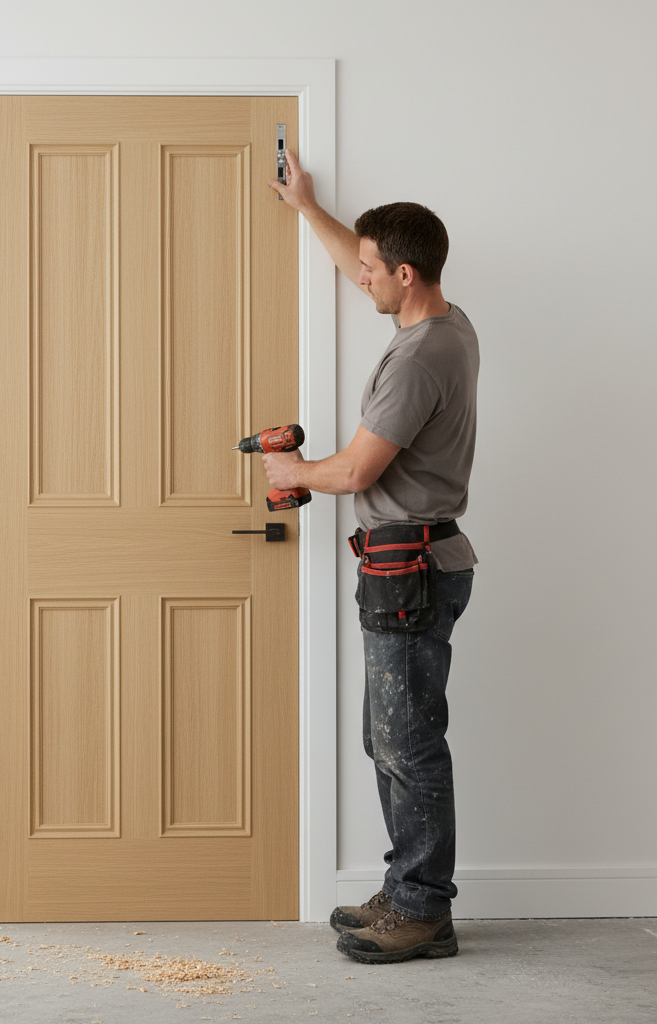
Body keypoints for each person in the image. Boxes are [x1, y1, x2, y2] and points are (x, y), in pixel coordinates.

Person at [267, 150, 479, 964]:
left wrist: (294, 474)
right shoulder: (439, 322)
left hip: (411, 569)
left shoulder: (421, 357)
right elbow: (359, 258)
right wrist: (307, 210)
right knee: (388, 739)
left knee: (409, 744)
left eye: (368, 270)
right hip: (409, 564)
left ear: (407, 272)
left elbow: (356, 470)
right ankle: (406, 891)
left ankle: (423, 911)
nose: (358, 280)